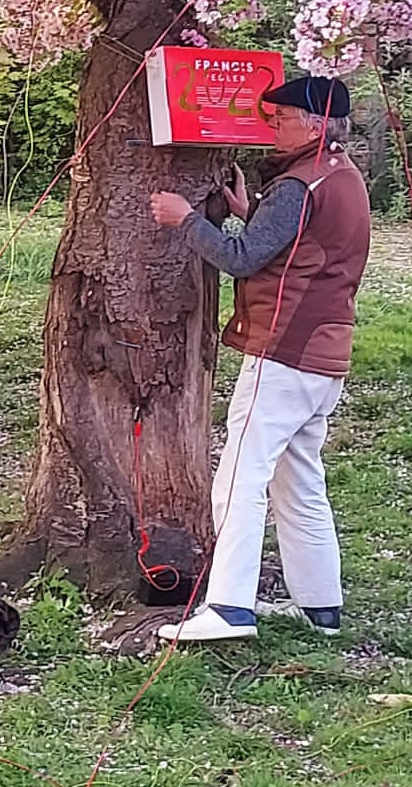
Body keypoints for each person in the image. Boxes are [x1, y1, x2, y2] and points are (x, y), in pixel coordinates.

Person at [148, 75, 371, 644]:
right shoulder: (340, 174)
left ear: (315, 125)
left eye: (281, 120)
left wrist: (187, 219)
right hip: (325, 353)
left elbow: (242, 259)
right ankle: (321, 607)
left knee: (239, 478)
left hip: (284, 351)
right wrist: (254, 212)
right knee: (299, 480)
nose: (271, 128)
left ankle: (229, 608)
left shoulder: (299, 185)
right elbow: (295, 247)